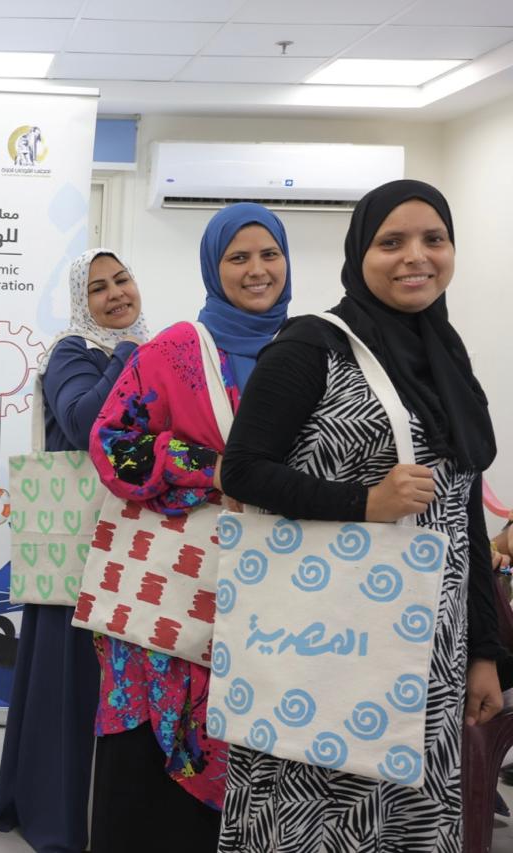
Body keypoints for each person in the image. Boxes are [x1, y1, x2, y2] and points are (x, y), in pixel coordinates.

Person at [217, 180, 501, 853]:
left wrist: (486, 651)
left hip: (430, 649)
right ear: (359, 253)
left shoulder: (447, 357)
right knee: (311, 816)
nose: (416, 256)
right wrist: (363, 503)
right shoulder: (310, 346)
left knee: (409, 819)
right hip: (326, 641)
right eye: (391, 242)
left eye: (434, 239)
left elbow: (464, 513)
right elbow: (241, 470)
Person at [88, 203, 293, 852]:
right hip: (171, 600)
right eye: (239, 257)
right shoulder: (175, 350)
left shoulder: (310, 351)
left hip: (277, 595)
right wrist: (214, 469)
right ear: (213, 267)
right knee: (154, 779)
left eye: (269, 254)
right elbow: (112, 444)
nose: (257, 270)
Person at [0, 248, 149, 852]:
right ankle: (59, 813)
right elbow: (81, 424)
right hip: (78, 549)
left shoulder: (157, 350)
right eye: (98, 288)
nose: (115, 294)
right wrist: (125, 353)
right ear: (82, 300)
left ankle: (113, 812)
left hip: (132, 545)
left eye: (122, 280)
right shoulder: (73, 352)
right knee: (71, 681)